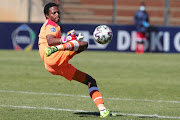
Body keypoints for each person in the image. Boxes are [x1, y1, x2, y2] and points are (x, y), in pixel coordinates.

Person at [38, 3, 110, 118]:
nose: (57, 14)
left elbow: (54, 40)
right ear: (47, 15)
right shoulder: (51, 25)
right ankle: (61, 47)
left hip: (54, 66)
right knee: (84, 44)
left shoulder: (51, 26)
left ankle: (103, 110)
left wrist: (70, 40)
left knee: (90, 81)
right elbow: (50, 41)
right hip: (52, 57)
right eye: (54, 13)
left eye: (58, 12)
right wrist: (67, 39)